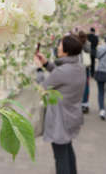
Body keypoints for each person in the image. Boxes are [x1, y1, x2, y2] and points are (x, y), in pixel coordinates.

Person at [35, 35, 86, 174]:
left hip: (60, 120)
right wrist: (46, 64)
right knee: (67, 149)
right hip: (72, 116)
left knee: (60, 157)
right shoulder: (79, 67)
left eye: (60, 45)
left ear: (66, 51)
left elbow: (42, 89)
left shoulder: (62, 71)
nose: (58, 47)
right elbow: (61, 75)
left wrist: (39, 69)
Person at [78, 31, 91, 114]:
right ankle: (85, 104)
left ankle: (78, 103)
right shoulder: (87, 43)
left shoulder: (76, 43)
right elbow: (89, 51)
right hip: (85, 67)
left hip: (77, 66)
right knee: (86, 85)